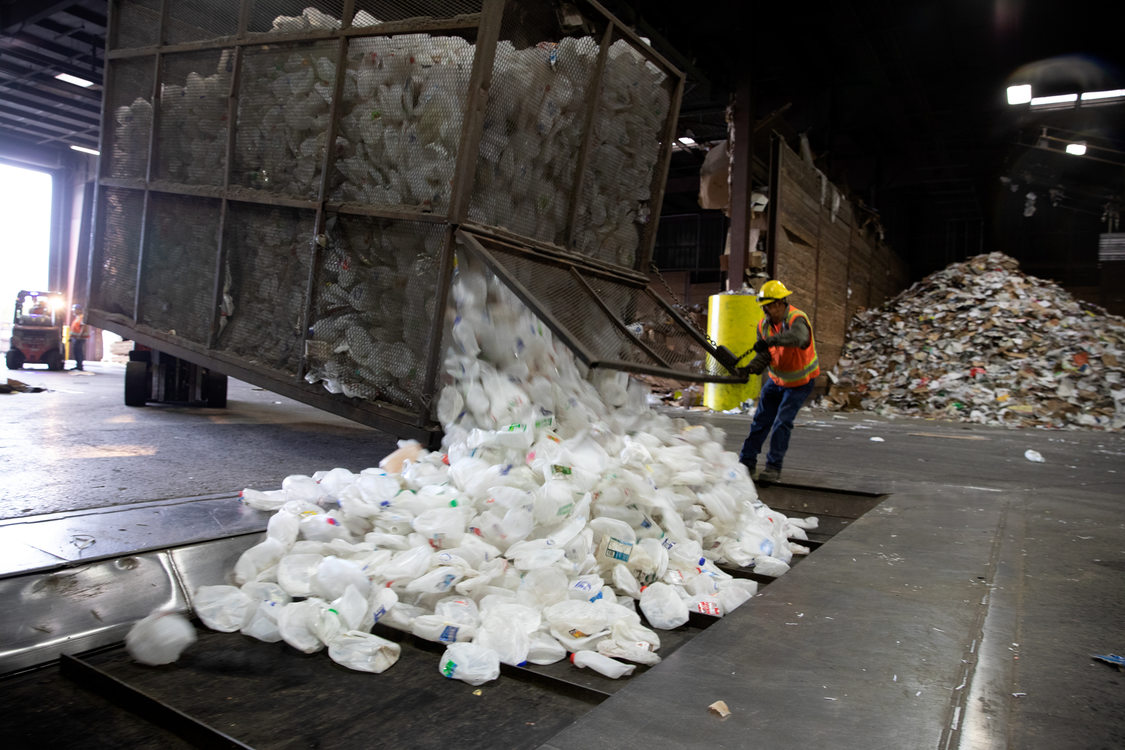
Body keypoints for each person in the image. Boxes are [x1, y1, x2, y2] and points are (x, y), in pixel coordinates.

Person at [738, 280, 820, 483]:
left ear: (778, 303)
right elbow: (766, 355)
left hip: (800, 382)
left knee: (782, 422)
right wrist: (752, 367)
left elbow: (799, 338)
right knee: (760, 421)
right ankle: (746, 463)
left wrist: (773, 340)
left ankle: (773, 468)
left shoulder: (796, 319)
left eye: (767, 306)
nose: (765, 311)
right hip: (776, 382)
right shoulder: (764, 325)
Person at [69, 304, 90, 371]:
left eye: (75, 310)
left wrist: (79, 336)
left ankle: (79, 366)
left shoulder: (82, 317)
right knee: (76, 352)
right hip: (76, 338)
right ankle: (78, 365)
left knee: (78, 352)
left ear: (79, 310)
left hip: (79, 338)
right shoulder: (78, 317)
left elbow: (83, 327)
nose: (73, 311)